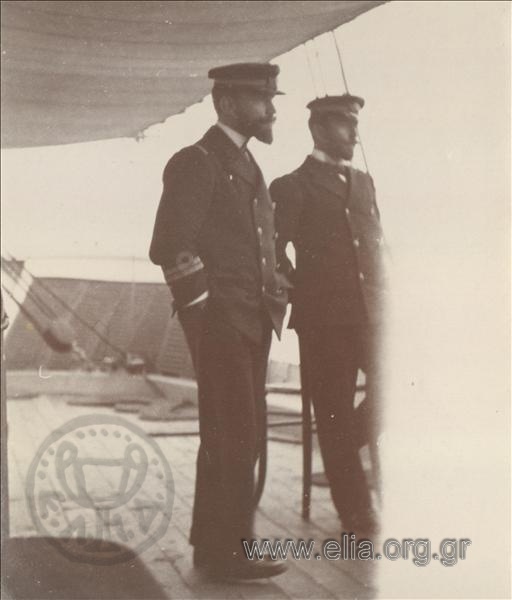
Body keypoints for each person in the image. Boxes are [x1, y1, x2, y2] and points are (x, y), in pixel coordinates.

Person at [149, 63, 291, 580]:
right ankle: (226, 550)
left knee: (242, 436)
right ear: (228, 104)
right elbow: (168, 246)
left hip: (253, 319)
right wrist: (205, 316)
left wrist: (278, 285)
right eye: (261, 98)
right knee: (234, 434)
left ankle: (220, 546)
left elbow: (256, 250)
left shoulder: (248, 166)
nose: (272, 107)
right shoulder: (198, 162)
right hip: (222, 321)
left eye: (272, 97)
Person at [270, 94, 387, 536]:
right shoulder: (291, 186)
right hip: (324, 322)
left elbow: (373, 247)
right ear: (319, 130)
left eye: (356, 124)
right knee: (335, 411)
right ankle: (357, 511)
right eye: (344, 125)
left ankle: (337, 444)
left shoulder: (365, 182)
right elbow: (272, 251)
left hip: (373, 315)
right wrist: (304, 289)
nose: (355, 133)